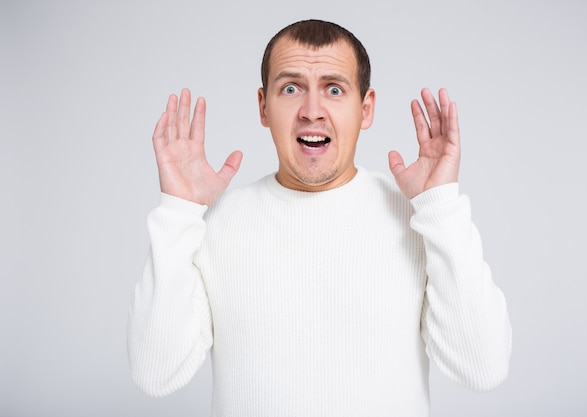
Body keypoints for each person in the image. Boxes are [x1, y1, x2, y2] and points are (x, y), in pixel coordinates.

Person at [127, 19, 511, 416]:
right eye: (291, 88)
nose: (312, 112)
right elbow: (155, 375)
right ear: (263, 106)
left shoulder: (420, 219)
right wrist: (179, 211)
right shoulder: (214, 223)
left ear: (365, 108)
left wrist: (441, 206)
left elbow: (483, 368)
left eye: (334, 89)